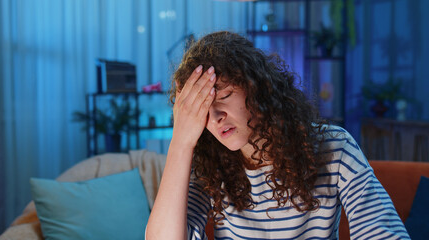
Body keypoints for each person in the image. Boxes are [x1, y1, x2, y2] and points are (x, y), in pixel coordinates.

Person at [145, 31, 410, 239]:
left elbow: (383, 234)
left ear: (256, 88)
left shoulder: (334, 147)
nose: (215, 118)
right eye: (202, 111)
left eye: (224, 96)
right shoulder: (208, 166)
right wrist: (180, 142)